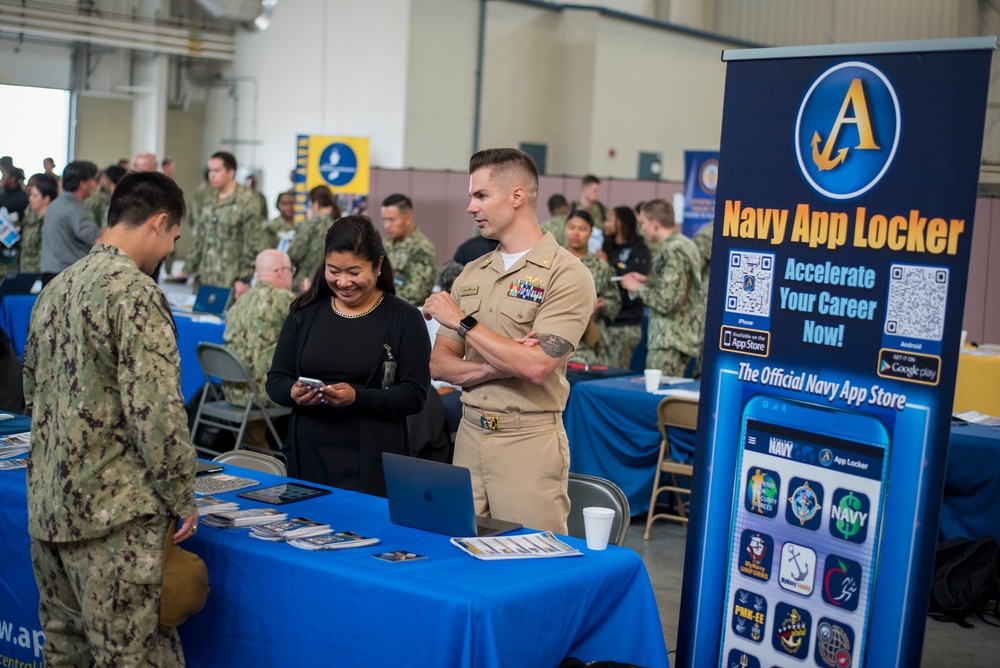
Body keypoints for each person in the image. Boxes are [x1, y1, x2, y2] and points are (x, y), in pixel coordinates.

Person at [22, 171, 198, 665]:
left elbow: (31, 394)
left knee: (65, 654)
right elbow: (158, 416)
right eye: (173, 239)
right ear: (160, 223)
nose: (168, 253)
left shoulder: (56, 289)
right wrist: (183, 497)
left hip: (49, 512)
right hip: (113, 524)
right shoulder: (135, 294)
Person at [423, 148, 594, 534]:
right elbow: (439, 365)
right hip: (468, 435)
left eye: (480, 195)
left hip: (527, 440)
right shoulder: (471, 273)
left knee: (532, 565)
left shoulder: (567, 274)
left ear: (516, 196)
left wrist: (462, 322)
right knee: (458, 556)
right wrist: (495, 365)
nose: (471, 207)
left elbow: (535, 367)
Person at [266, 215, 430, 496]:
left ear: (378, 265)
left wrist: (358, 398)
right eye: (334, 271)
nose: (343, 282)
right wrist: (293, 392)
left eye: (354, 272)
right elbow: (275, 381)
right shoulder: (305, 313)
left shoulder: (404, 319)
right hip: (309, 456)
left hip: (372, 461)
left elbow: (414, 395)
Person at [621, 198, 705, 377]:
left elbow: (667, 301)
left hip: (669, 340)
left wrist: (637, 288)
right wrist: (648, 282)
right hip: (680, 336)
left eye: (643, 223)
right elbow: (680, 287)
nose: (642, 229)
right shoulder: (685, 244)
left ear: (655, 224)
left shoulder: (673, 250)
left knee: (658, 399)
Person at [222, 249, 296, 447]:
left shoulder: (239, 302)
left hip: (232, 390)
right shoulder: (283, 300)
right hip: (262, 393)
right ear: (280, 271)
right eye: (291, 270)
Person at [180, 151, 260, 298]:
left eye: (217, 170)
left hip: (230, 282)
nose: (211, 175)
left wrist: (244, 279)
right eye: (210, 171)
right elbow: (200, 239)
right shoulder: (209, 200)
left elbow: (253, 243)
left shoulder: (247, 201)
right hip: (205, 279)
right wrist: (187, 269)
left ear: (231, 172)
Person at [562, 210, 621, 366]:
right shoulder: (551, 260)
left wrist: (603, 305)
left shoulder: (601, 267)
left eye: (582, 229)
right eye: (571, 227)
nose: (575, 233)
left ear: (591, 233)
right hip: (554, 337)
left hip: (588, 343)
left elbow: (615, 302)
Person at [601, 205, 652, 369]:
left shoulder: (639, 249)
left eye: (610, 219)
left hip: (625, 323)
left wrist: (605, 263)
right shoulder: (606, 245)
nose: (605, 223)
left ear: (621, 223)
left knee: (614, 371)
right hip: (605, 322)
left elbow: (627, 281)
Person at [40, 160, 100, 273]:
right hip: (66, 275)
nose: (94, 185)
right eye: (92, 180)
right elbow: (96, 239)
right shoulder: (74, 208)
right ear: (82, 184)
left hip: (51, 272)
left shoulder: (55, 204)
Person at [381, 193, 438, 305]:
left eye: (391, 220)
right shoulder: (385, 244)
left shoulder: (422, 249)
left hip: (405, 313)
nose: (386, 225)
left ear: (407, 218)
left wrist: (378, 296)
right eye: (384, 220)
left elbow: (416, 293)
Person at [287, 185, 339, 291]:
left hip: (304, 284)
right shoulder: (339, 227)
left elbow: (295, 254)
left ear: (315, 204)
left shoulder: (311, 225)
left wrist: (291, 247)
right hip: (329, 285)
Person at [20, 173, 58, 272]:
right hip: (26, 271)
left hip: (41, 275)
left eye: (35, 196)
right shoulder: (30, 214)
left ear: (46, 199)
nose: (30, 198)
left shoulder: (52, 222)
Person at [572, 174, 606, 253]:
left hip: (596, 252)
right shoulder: (572, 209)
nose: (598, 194)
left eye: (599, 191)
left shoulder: (601, 209)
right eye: (595, 190)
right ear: (585, 189)